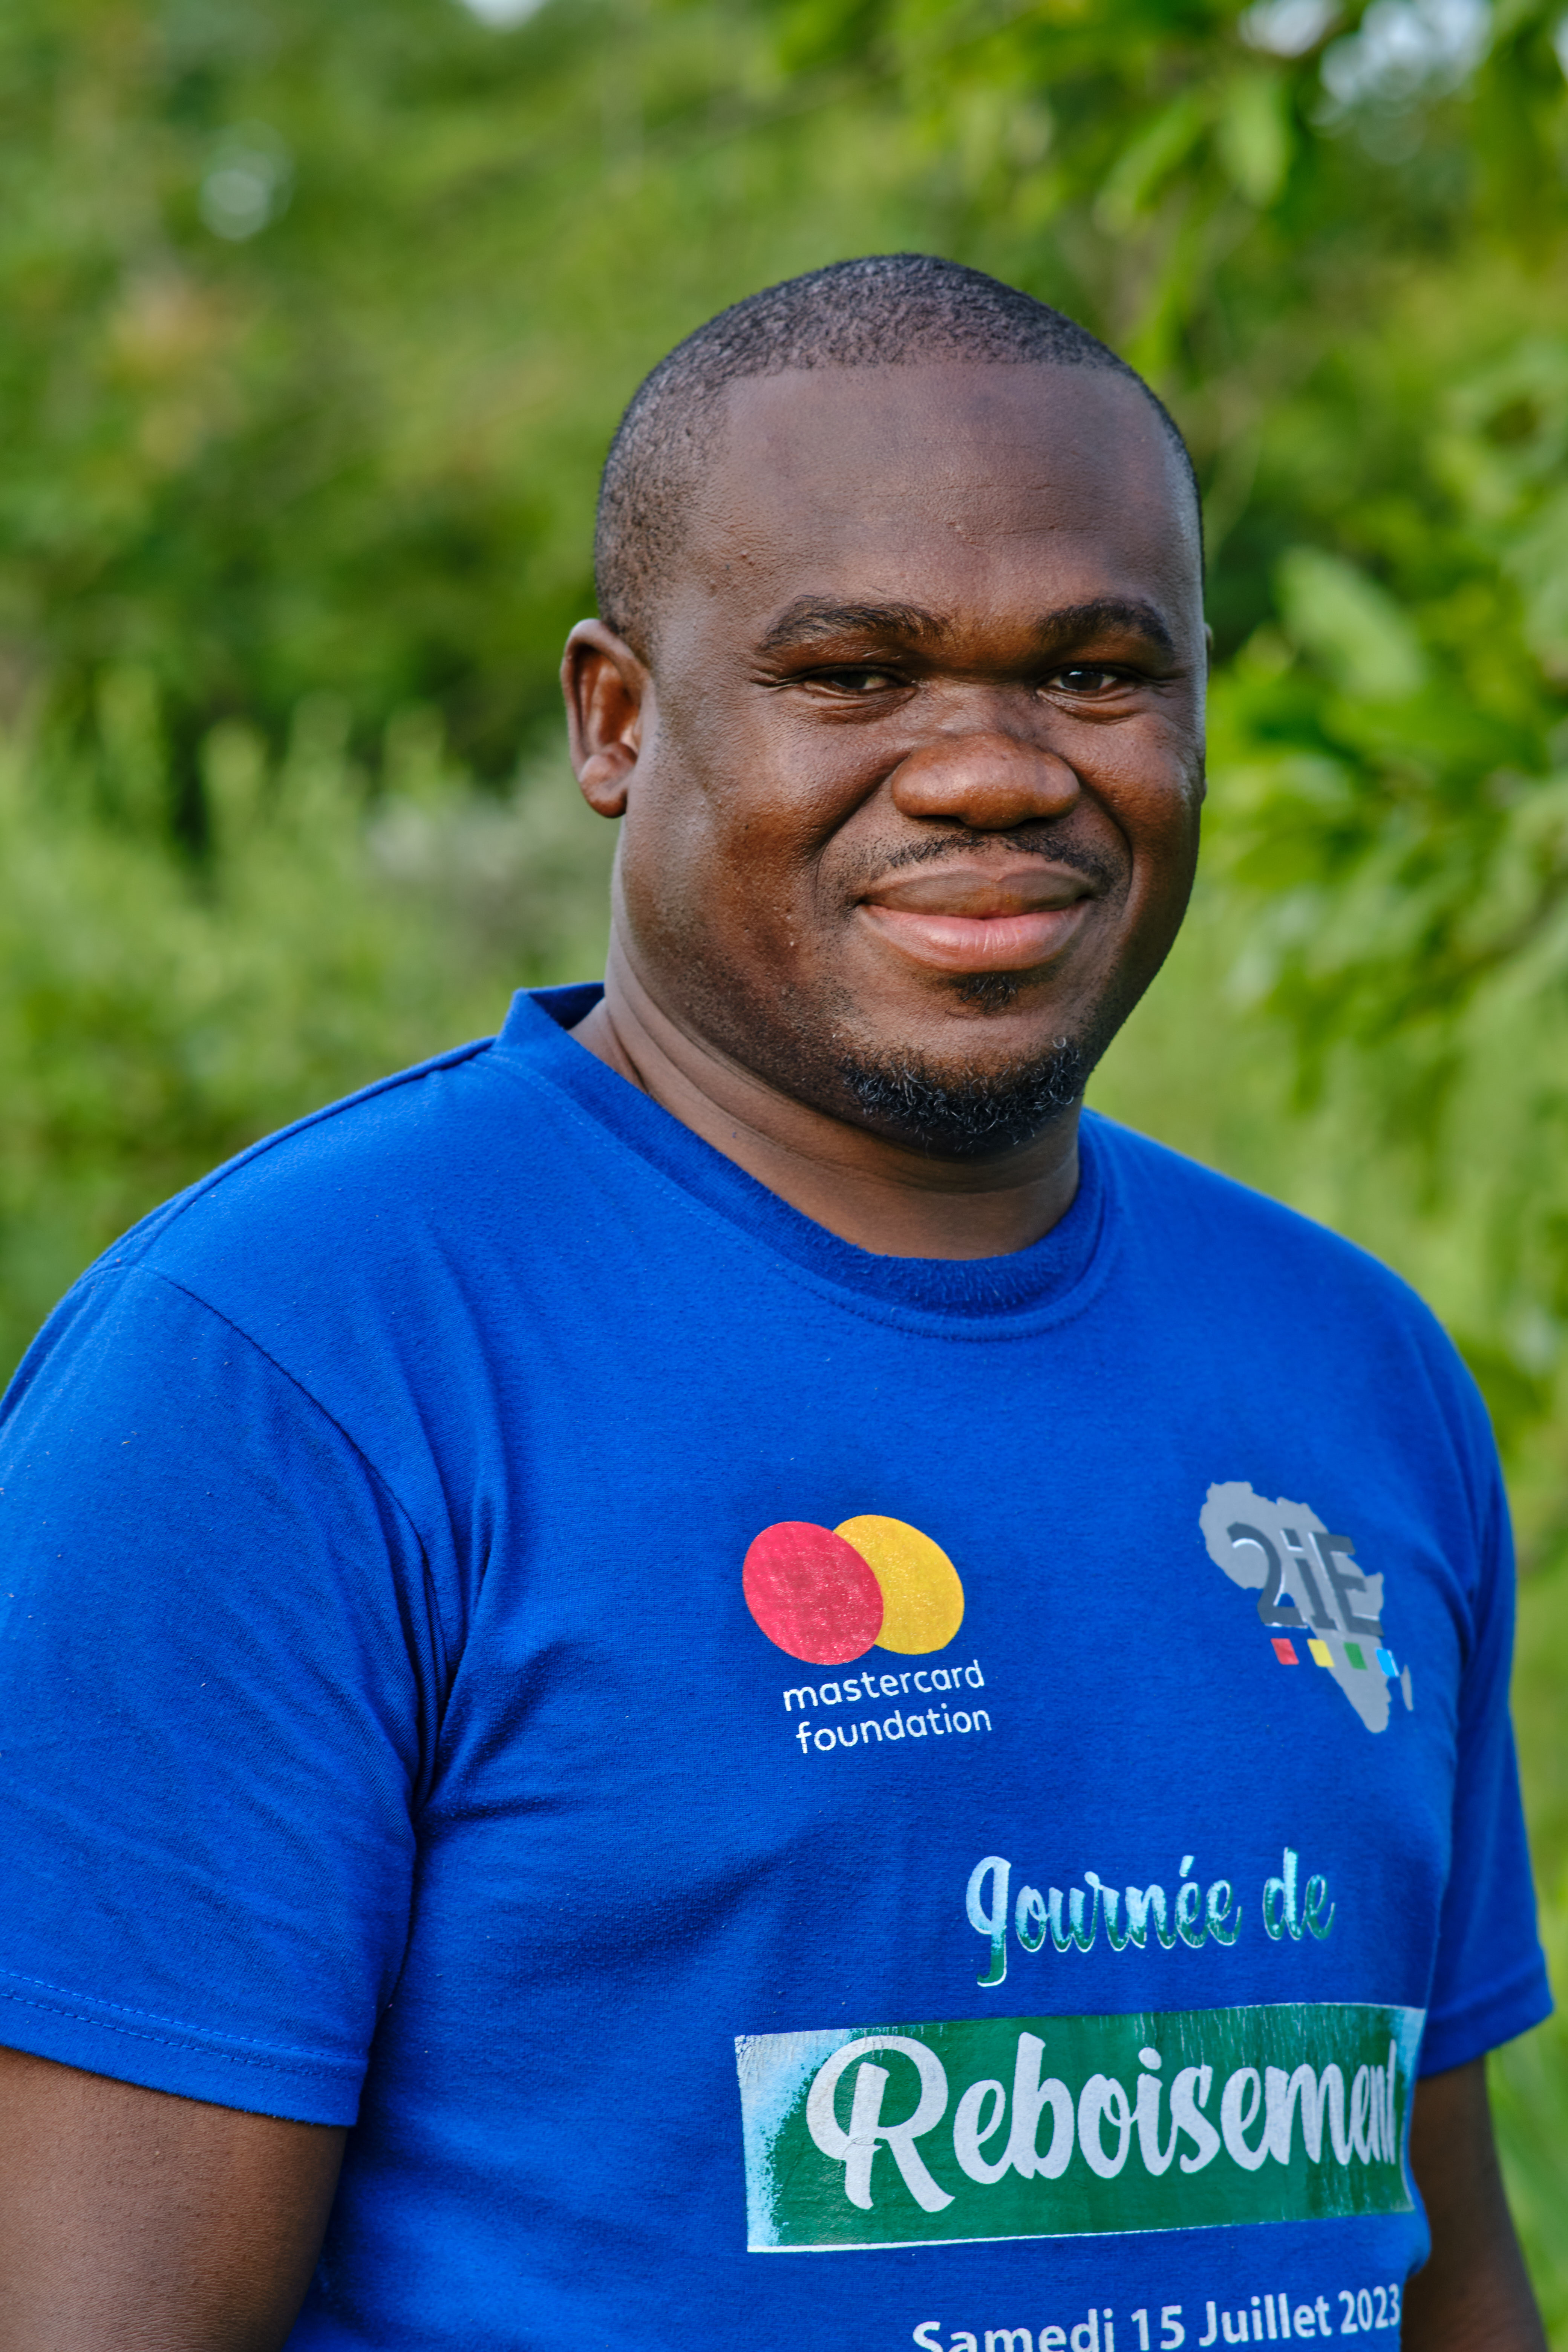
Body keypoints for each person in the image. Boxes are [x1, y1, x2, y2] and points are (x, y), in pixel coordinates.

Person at [0, 255, 1548, 2352]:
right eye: (854, 674)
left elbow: (1432, 2256)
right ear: (616, 721)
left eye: (1098, 671)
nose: (991, 770)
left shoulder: (1355, 1375)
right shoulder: (284, 1378)